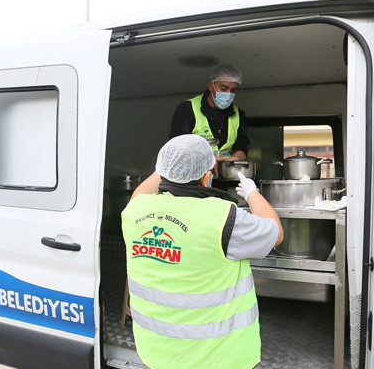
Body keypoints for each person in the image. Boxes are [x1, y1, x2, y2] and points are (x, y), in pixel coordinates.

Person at [121, 134, 283, 369]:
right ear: (207, 175)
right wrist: (252, 193)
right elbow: (276, 233)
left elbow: (140, 192)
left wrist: (172, 162)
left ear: (162, 170)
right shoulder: (224, 217)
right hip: (219, 361)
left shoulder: (135, 210)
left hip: (157, 357)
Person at [169, 64, 250, 166]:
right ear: (211, 85)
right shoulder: (187, 109)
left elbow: (242, 147)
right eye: (224, 88)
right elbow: (177, 148)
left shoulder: (239, 115)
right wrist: (207, 161)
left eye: (233, 90)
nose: (228, 94)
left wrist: (234, 159)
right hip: (196, 177)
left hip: (226, 177)